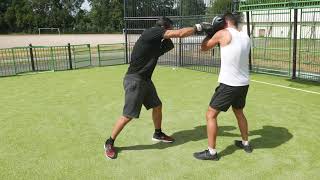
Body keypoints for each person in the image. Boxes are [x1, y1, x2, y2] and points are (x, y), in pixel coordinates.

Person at [104, 16, 212, 159]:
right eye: (171, 28)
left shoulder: (155, 43)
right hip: (135, 80)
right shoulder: (152, 32)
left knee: (157, 106)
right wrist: (198, 28)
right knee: (128, 115)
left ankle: (158, 133)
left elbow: (176, 36)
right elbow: (179, 33)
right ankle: (109, 142)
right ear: (165, 27)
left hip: (145, 80)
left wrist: (193, 32)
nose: (173, 30)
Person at [193, 12, 253, 161]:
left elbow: (204, 47)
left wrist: (209, 33)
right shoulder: (245, 36)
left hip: (229, 84)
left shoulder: (222, 33)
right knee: (239, 112)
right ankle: (246, 143)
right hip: (243, 83)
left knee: (210, 115)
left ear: (224, 22)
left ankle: (211, 152)